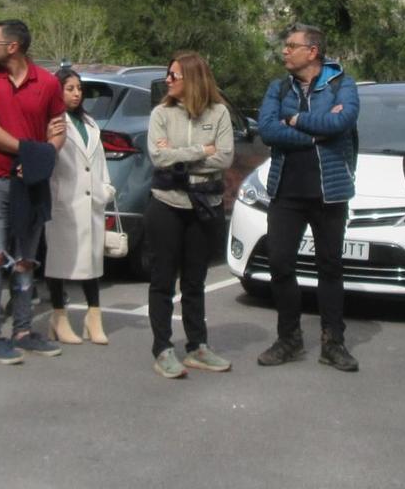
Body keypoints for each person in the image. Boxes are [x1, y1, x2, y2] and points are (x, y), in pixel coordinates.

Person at [254, 24, 361, 372]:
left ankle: (334, 342)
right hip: (287, 191)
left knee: (330, 267)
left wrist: (297, 119)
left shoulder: (343, 84)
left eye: (291, 46)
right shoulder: (278, 87)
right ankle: (289, 338)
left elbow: (342, 122)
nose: (285, 51)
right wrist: (314, 134)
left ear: (312, 51)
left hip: (329, 192)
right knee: (281, 263)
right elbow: (268, 129)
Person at [0, 17, 67, 365]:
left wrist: (43, 157)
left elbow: (59, 131)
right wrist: (31, 151)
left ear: (13, 47)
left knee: (26, 259)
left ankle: (23, 331)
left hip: (30, 181)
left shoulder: (49, 83)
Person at [144, 52, 234, 378]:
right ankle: (162, 348)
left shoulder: (219, 113)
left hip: (203, 206)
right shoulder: (161, 114)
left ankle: (197, 346)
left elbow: (224, 158)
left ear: (192, 79)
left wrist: (179, 157)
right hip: (166, 203)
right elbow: (158, 157)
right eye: (168, 74)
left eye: (174, 75)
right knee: (162, 279)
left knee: (195, 280)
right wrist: (201, 151)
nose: (167, 80)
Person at [45, 66, 117, 347]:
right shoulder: (53, 121)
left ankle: (93, 316)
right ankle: (58, 317)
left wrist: (105, 188)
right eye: (69, 89)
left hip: (92, 200)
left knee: (92, 262)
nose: (76, 94)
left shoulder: (89, 123)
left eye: (78, 89)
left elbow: (99, 161)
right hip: (64, 200)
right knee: (59, 261)